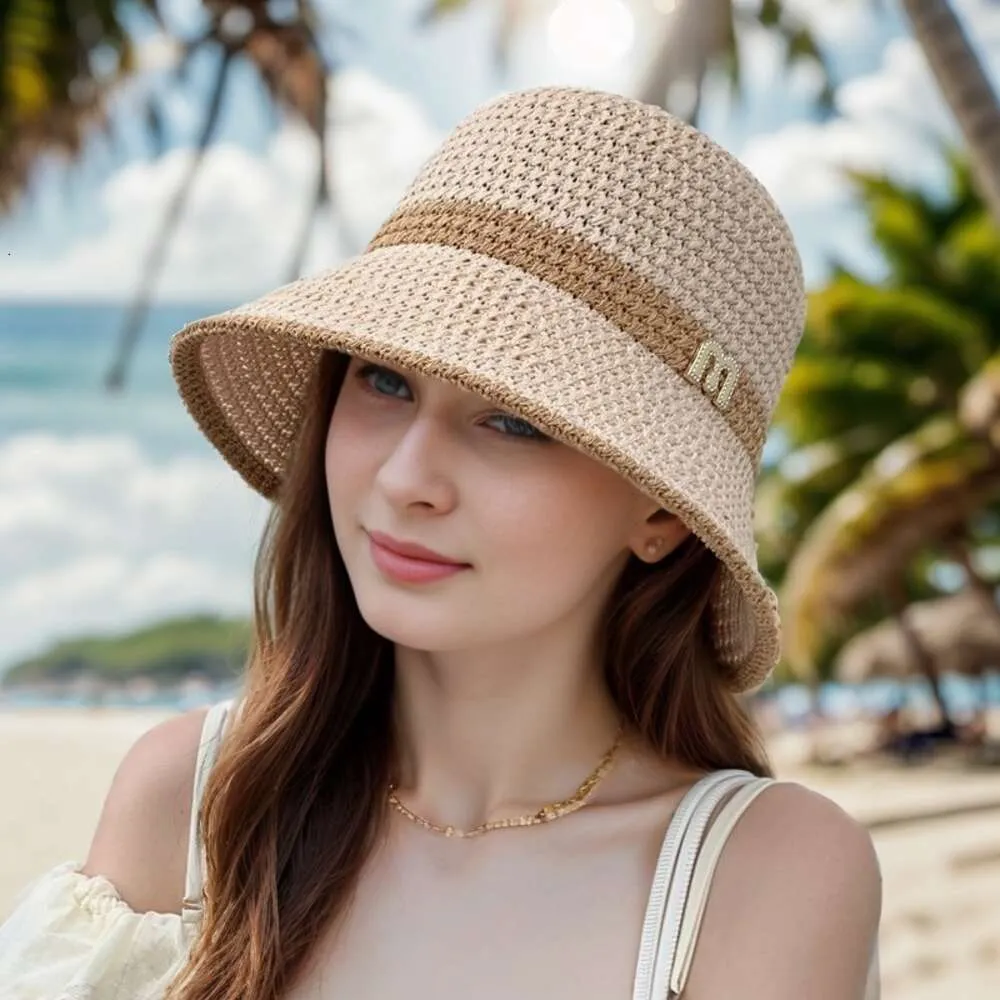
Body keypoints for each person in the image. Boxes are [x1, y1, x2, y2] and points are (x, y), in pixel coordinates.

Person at [0, 86, 882, 999]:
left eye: (513, 423)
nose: (405, 478)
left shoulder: (763, 871)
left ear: (661, 514)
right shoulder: (193, 805)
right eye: (384, 381)